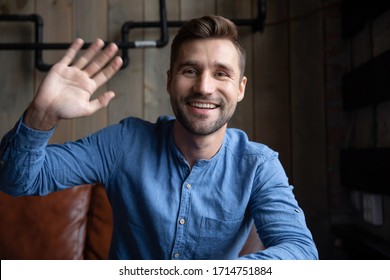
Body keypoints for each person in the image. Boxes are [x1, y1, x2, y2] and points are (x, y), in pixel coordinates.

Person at [0, 15, 318, 260]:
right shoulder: (123, 143)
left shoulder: (259, 165)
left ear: (241, 88)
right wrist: (42, 114)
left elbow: (301, 252)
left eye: (221, 73)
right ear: (169, 81)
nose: (204, 87)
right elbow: (17, 181)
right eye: (190, 70)